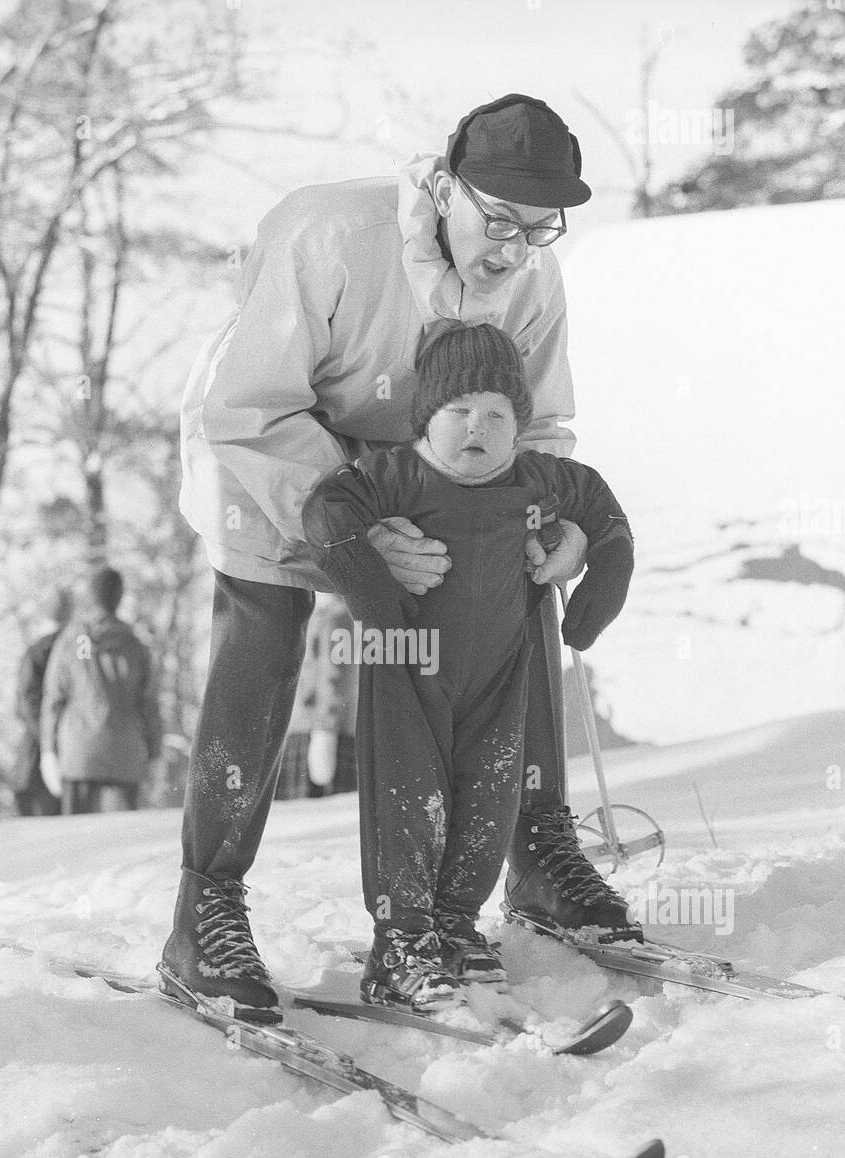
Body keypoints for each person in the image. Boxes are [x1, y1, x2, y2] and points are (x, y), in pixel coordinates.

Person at [160, 94, 638, 1023]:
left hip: (429, 466)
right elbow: (250, 409)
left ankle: (536, 853)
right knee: (266, 628)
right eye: (497, 218)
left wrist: (553, 524)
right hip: (271, 442)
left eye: (540, 227)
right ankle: (205, 905)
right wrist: (354, 534)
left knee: (517, 575)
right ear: (446, 184)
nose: (511, 247)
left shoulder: (531, 280)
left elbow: (537, 428)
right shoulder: (328, 235)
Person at [303, 323, 633, 1012]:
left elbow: (603, 514)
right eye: (459, 412)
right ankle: (401, 945)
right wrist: (372, 595)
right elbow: (328, 512)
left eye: (496, 415)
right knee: (411, 805)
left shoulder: (536, 481)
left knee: (489, 803)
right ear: (427, 418)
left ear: (520, 427)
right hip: (407, 669)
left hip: (497, 679)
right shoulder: (399, 475)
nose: (476, 428)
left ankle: (454, 927)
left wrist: (594, 599)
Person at [40, 567, 162, 814]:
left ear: (90, 596)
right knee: (124, 840)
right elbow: (149, 705)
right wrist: (156, 755)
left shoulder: (69, 641)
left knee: (77, 841)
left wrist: (48, 751)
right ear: (119, 597)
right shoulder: (135, 646)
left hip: (77, 749)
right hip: (126, 749)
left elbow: (53, 699)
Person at [277, 594, 358, 800]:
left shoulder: (337, 617)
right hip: (313, 727)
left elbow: (334, 675)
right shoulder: (327, 615)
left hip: (322, 731)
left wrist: (326, 729)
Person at [12, 588, 73, 816]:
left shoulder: (37, 651)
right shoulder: (76, 650)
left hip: (38, 756)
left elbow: (24, 704)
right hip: (61, 752)